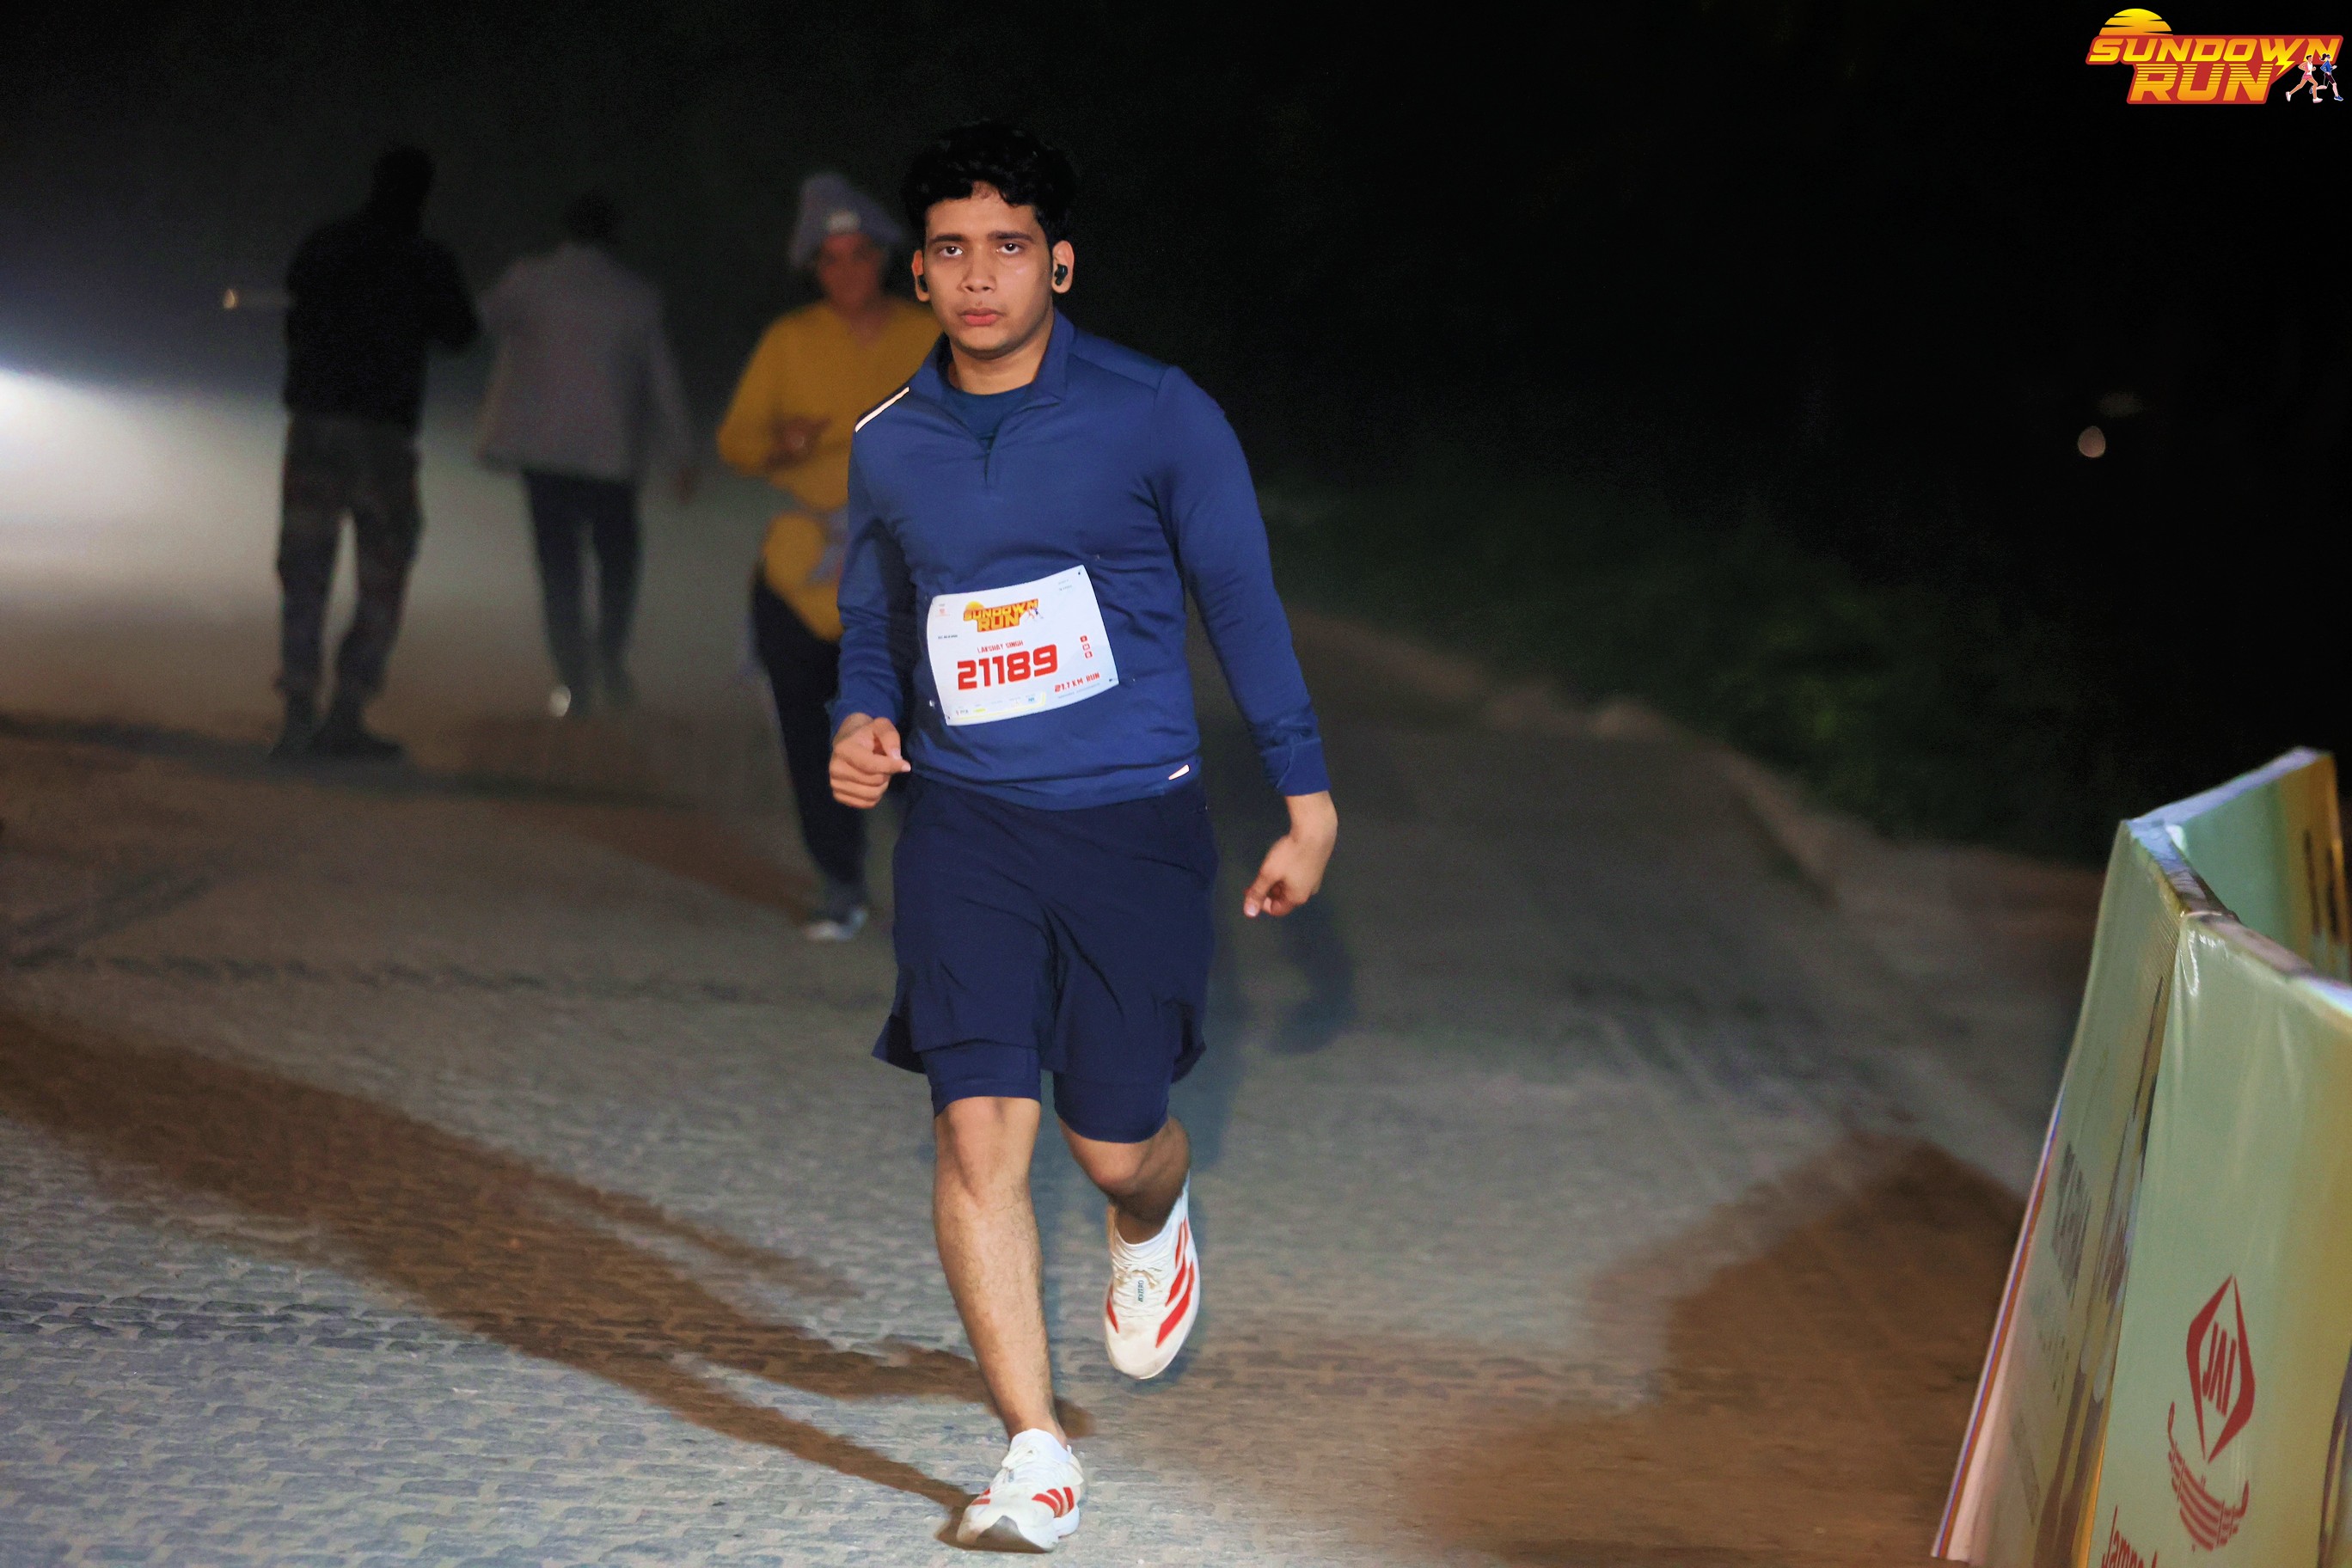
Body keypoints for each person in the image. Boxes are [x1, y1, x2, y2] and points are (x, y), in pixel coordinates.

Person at [828, 123, 1338, 1553]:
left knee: (1114, 1144)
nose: (977, 275)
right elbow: (874, 618)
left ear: (1058, 261)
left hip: (1132, 823)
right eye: (949, 249)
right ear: (920, 273)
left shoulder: (1157, 412)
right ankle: (1033, 1449)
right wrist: (863, 715)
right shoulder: (889, 442)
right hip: (966, 823)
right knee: (975, 1125)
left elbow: (1242, 602)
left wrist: (1307, 800)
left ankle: (1151, 1223)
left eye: (1007, 246)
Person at [718, 173, 938, 940]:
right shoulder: (790, 340)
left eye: (859, 254)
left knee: (918, 739)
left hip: (906, 572)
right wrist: (781, 443)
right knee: (813, 739)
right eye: (830, 259)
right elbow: (736, 443)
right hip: (802, 573)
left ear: (885, 258)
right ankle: (840, 882)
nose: (846, 271)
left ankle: (943, 885)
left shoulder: (930, 334)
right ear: (814, 268)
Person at [274, 145, 478, 760]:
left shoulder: (326, 243)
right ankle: (347, 709)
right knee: (384, 571)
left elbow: (294, 317)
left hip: (315, 426)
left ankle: (297, 709)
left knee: (305, 570)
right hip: (382, 436)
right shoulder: (425, 258)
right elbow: (460, 333)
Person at [477, 192, 696, 718]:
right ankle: (610, 663)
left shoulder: (530, 280)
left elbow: (479, 322)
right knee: (618, 565)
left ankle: (572, 679)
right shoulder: (635, 295)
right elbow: (662, 380)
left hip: (545, 451)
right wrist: (683, 453)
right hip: (611, 455)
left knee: (559, 568)